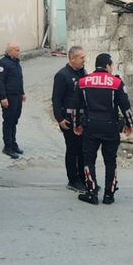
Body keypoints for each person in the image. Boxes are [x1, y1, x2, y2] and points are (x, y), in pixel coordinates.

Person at [74, 53, 133, 205]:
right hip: (110, 127)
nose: (112, 68)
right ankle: (109, 195)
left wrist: (77, 125)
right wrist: (129, 125)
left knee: (89, 159)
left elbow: (76, 106)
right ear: (107, 65)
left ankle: (91, 192)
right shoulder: (116, 82)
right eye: (111, 65)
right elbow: (125, 106)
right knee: (110, 161)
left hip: (90, 126)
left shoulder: (83, 82)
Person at [52, 46, 88, 193]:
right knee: (73, 149)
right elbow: (56, 99)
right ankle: (73, 180)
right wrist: (59, 119)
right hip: (68, 119)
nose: (84, 60)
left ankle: (83, 179)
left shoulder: (83, 73)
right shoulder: (62, 75)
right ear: (72, 58)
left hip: (82, 118)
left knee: (82, 150)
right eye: (82, 57)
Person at [0, 42, 25, 159]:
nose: (19, 52)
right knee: (8, 122)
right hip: (9, 97)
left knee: (14, 121)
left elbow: (19, 79)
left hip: (17, 96)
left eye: (19, 50)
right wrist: (3, 97)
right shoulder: (3, 63)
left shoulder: (16, 63)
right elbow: (0, 82)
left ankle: (13, 144)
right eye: (17, 50)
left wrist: (22, 92)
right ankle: (7, 146)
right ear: (10, 51)